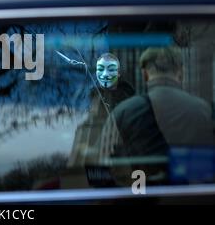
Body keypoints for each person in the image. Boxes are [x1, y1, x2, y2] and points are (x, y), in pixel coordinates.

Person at [103, 47, 213, 184]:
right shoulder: (206, 110)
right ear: (181, 73)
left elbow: (101, 169)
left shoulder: (122, 113)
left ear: (144, 75)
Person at [68, 53, 135, 167]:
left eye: (111, 69)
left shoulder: (128, 100)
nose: (105, 74)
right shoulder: (88, 98)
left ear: (118, 73)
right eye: (100, 69)